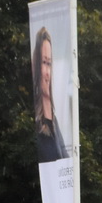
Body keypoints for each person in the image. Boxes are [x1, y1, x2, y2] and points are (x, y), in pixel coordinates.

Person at [32, 27, 68, 162]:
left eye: (49, 63)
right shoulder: (35, 119)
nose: (48, 72)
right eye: (44, 62)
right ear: (35, 64)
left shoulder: (53, 120)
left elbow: (66, 161)